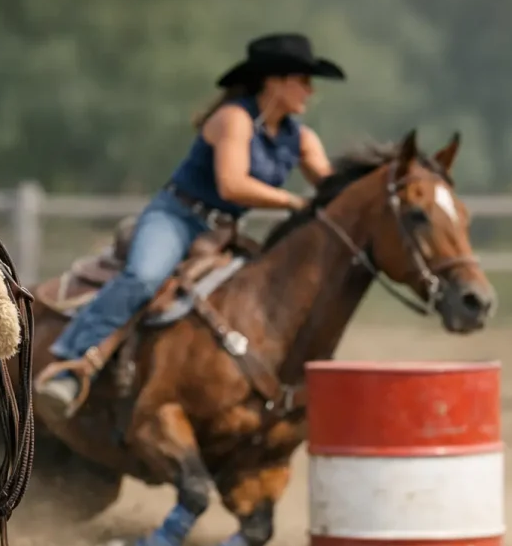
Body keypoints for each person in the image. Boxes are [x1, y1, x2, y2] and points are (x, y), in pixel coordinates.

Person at [37, 32, 346, 417]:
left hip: (221, 235)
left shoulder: (300, 138)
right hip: (176, 218)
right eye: (303, 80)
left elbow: (331, 186)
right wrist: (292, 201)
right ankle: (68, 363)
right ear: (274, 81)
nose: (310, 90)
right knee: (145, 277)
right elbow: (232, 184)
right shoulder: (234, 118)